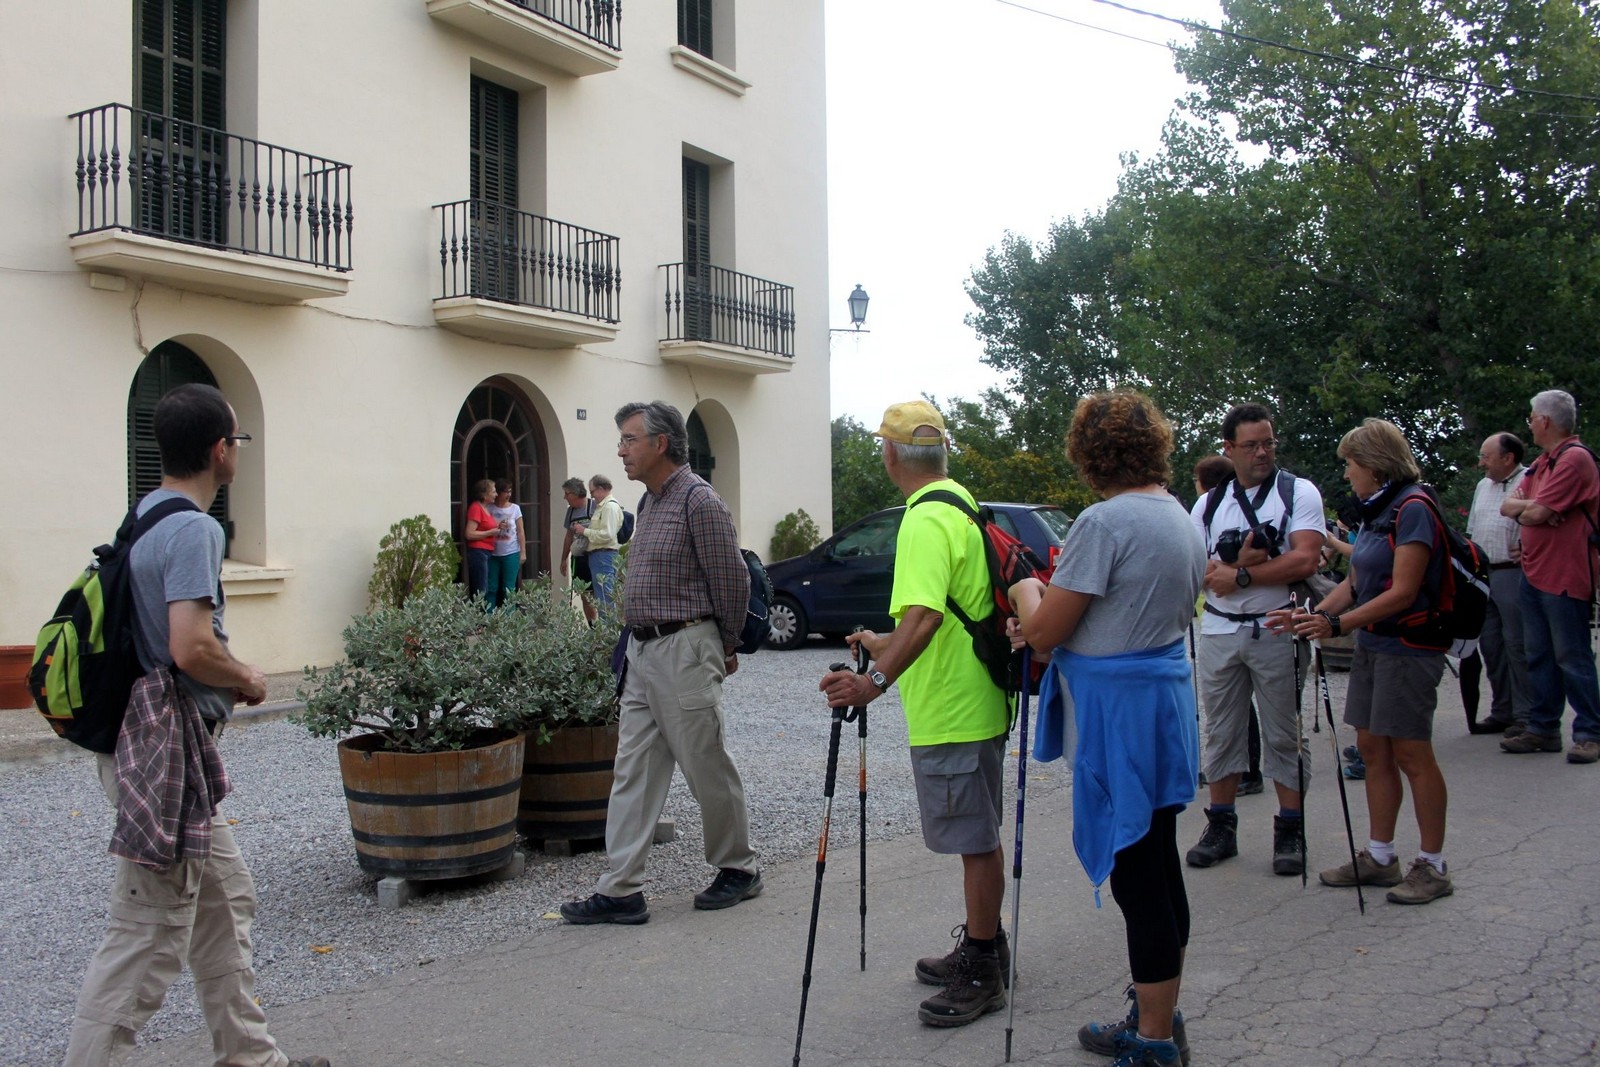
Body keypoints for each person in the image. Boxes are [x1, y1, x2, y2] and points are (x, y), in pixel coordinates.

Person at [64, 384, 329, 1067]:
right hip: (166, 759)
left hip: (152, 751)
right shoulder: (195, 529)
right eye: (237, 439)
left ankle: (249, 1056)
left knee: (224, 901)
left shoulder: (145, 514)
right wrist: (246, 676)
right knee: (147, 934)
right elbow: (190, 647)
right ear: (220, 450)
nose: (238, 450)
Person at [1011, 390, 1204, 1067]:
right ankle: (1161, 1014)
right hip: (1164, 699)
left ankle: (1153, 1040)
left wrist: (1024, 590)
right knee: (1159, 861)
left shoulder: (1103, 522)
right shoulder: (1178, 514)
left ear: (1089, 454)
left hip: (1120, 714)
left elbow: (1043, 633)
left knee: (1138, 876)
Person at [819, 400, 1012, 1029]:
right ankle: (986, 944)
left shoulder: (924, 519)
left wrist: (871, 683)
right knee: (977, 832)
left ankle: (981, 968)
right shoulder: (959, 502)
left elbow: (927, 616)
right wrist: (885, 643)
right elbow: (941, 612)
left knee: (974, 840)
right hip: (976, 696)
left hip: (953, 707)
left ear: (890, 454)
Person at [559, 401, 759, 925]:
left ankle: (738, 867)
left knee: (705, 763)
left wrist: (725, 646)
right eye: (621, 440)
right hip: (642, 650)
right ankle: (621, 889)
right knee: (632, 771)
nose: (621, 451)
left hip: (685, 647)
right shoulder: (648, 502)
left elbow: (732, 580)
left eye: (629, 440)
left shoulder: (699, 500)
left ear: (660, 444)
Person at [1278, 418, 1454, 906]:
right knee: (1373, 748)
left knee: (1412, 753)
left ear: (1375, 465)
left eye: (1351, 464)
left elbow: (1403, 592)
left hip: (1410, 647)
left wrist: (1337, 626)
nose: (1347, 473)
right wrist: (1312, 616)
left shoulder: (1414, 508)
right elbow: (1355, 585)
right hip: (1376, 646)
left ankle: (1434, 865)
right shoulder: (1379, 510)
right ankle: (1380, 856)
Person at [1186, 403, 1323, 877]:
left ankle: (1291, 829)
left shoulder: (1297, 492)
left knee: (1283, 731)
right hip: (1220, 628)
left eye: (1268, 443)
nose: (1262, 453)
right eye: (1251, 445)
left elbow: (1305, 559)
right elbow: (1195, 566)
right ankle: (1221, 826)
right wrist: (1238, 566)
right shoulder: (1208, 504)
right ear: (1229, 448)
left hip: (1276, 626)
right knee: (1221, 732)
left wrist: (1240, 574)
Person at [1499, 389, 1600, 764]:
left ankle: (1590, 733)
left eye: (1531, 418)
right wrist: (1534, 508)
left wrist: (1534, 509)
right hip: (1535, 571)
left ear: (1544, 421)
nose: (1529, 424)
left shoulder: (1574, 459)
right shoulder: (1543, 464)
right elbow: (1510, 506)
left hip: (1565, 573)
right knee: (1539, 654)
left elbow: (1533, 514)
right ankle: (1542, 728)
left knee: (1572, 655)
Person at [1191, 455, 1263, 796]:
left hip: (1235, 623)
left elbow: (1199, 568)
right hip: (1218, 621)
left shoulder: (1213, 510)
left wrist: (1227, 570)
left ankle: (1249, 772)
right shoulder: (1207, 512)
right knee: (1236, 709)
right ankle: (1247, 772)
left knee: (1237, 710)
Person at [1463, 432, 1530, 735]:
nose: (1481, 463)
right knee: (1491, 645)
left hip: (1513, 571)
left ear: (1508, 458)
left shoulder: (1529, 480)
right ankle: (1503, 710)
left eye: (1486, 457)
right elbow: (1473, 528)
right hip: (1484, 573)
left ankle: (1526, 714)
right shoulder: (1483, 486)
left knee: (1517, 644)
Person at [559, 477, 597, 625]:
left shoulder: (594, 506)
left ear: (575, 494)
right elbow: (568, 536)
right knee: (585, 594)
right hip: (579, 558)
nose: (565, 497)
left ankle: (604, 628)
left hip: (594, 555)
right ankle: (593, 627)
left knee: (598, 592)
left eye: (567, 493)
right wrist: (564, 558)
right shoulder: (570, 512)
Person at [585, 473, 624, 619]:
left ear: (601, 489)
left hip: (604, 555)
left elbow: (608, 534)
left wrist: (584, 531)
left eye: (592, 491)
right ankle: (606, 627)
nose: (592, 496)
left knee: (605, 597)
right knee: (601, 597)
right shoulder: (602, 507)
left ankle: (609, 629)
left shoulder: (609, 507)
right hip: (599, 556)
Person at [487, 478, 525, 610]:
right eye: (505, 492)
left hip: (511, 552)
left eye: (510, 491)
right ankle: (489, 615)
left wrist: (523, 552)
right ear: (498, 493)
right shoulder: (489, 508)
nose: (508, 494)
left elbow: (520, 531)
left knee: (509, 588)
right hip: (492, 553)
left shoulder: (515, 509)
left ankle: (510, 617)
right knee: (491, 586)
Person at [462, 478, 497, 604]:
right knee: (481, 589)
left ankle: (482, 614)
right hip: (478, 552)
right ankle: (478, 615)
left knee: (485, 587)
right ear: (484, 494)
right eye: (493, 491)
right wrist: (490, 532)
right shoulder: (476, 508)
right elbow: (469, 534)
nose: (496, 494)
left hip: (487, 552)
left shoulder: (486, 508)